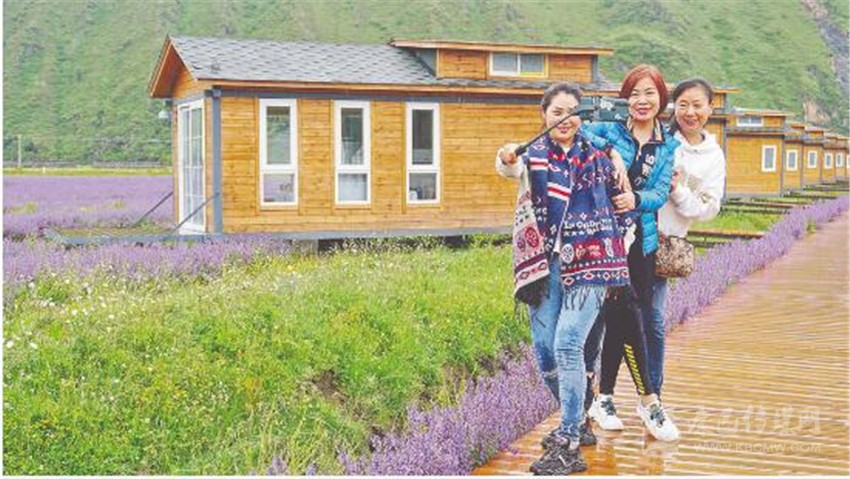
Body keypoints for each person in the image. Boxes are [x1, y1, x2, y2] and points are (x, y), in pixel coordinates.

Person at [496, 82, 634, 475]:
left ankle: (569, 438)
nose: (564, 119)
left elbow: (623, 210)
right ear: (544, 115)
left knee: (568, 344)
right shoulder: (534, 156)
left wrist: (615, 251)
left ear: (581, 117)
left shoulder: (602, 159)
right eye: (556, 112)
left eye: (572, 112)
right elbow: (509, 164)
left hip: (593, 264)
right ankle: (579, 413)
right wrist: (505, 155)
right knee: (545, 352)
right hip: (545, 266)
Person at [579, 64, 681, 441]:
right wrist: (612, 153)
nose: (641, 100)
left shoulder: (667, 145)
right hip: (605, 240)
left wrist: (635, 198)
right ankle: (648, 400)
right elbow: (578, 131)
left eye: (649, 93)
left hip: (641, 243)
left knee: (623, 317)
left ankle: (604, 397)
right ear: (625, 99)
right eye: (634, 93)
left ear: (661, 99)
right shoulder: (610, 129)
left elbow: (659, 193)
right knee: (623, 314)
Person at [648, 78, 726, 395]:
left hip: (663, 247)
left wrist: (677, 191)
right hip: (630, 239)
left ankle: (652, 393)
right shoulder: (659, 139)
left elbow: (708, 209)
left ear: (710, 109)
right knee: (613, 318)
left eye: (697, 105)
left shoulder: (713, 156)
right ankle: (600, 394)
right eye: (682, 104)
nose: (689, 112)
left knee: (653, 321)